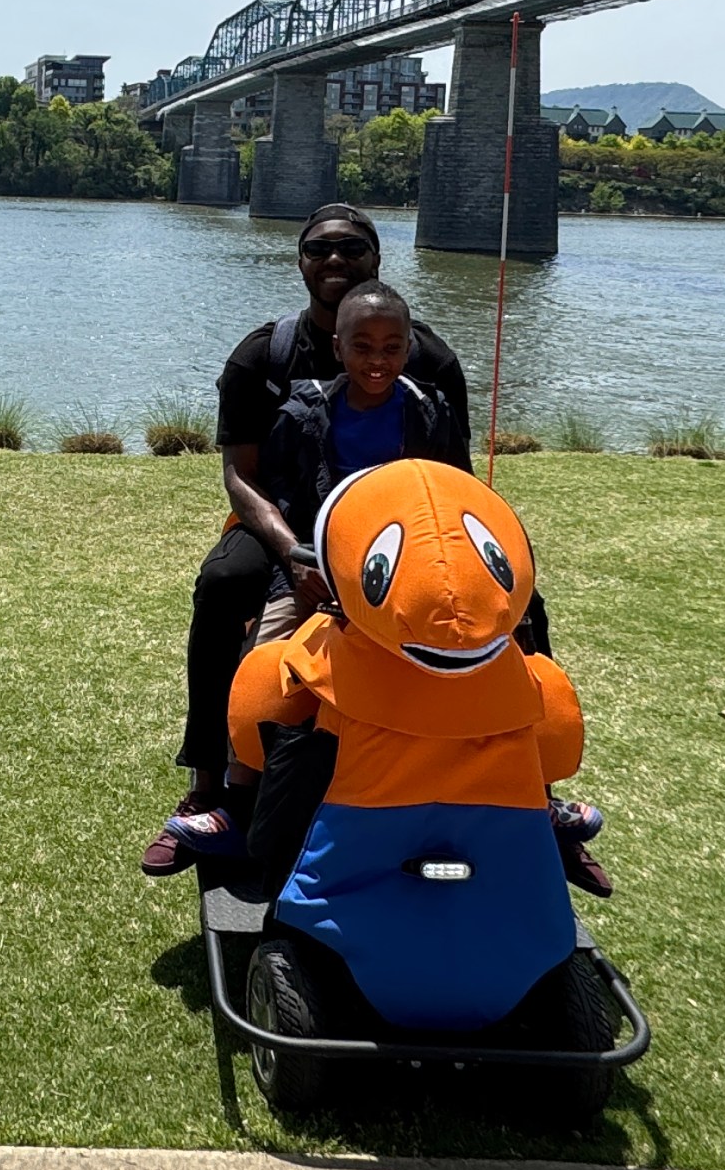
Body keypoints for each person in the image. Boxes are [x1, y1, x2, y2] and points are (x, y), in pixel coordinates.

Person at [141, 203, 475, 880]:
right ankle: (214, 786)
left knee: (515, 611)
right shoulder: (263, 353)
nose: (334, 260)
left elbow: (456, 477)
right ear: (298, 263)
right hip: (284, 526)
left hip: (405, 536)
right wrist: (294, 551)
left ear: (376, 260)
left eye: (351, 248)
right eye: (318, 249)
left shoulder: (431, 361)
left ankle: (531, 797)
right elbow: (240, 474)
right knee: (224, 585)